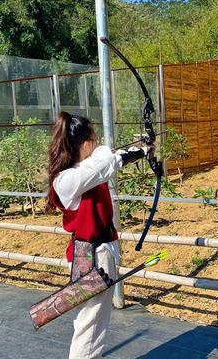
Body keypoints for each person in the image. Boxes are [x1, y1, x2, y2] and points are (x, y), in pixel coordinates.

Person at [45, 111, 148, 359]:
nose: (98, 143)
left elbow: (107, 164)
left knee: (91, 321)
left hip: (95, 254)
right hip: (90, 256)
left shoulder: (85, 173)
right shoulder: (67, 179)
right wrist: (108, 152)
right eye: (95, 139)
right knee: (90, 324)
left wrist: (143, 150)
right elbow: (103, 164)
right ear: (85, 143)